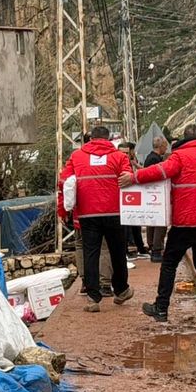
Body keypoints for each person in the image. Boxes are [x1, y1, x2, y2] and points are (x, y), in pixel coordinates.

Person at [118, 124, 196, 322]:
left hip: (185, 222)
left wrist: (133, 178)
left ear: (185, 139)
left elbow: (159, 172)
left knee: (169, 263)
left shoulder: (180, 157)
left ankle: (161, 308)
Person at [58, 126, 134, 312]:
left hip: (87, 213)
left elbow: (64, 182)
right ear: (109, 138)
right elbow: (129, 177)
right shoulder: (120, 157)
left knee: (90, 253)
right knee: (117, 252)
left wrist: (63, 210)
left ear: (91, 138)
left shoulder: (77, 156)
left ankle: (93, 298)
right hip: (115, 212)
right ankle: (122, 290)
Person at [143, 136, 169, 263]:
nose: (166, 148)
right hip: (156, 195)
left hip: (152, 195)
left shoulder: (151, 158)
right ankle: (156, 249)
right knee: (159, 223)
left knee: (152, 222)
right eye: (165, 146)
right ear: (160, 146)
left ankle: (154, 246)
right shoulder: (154, 159)